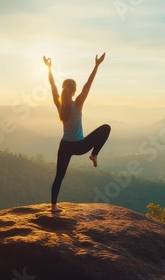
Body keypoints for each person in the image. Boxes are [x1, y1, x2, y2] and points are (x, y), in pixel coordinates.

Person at [44, 53, 111, 213]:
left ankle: (53, 207)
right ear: (74, 91)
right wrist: (97, 65)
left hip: (65, 145)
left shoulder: (59, 104)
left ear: (64, 90)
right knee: (106, 128)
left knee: (59, 176)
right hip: (80, 146)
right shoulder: (79, 103)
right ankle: (94, 154)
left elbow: (52, 85)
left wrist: (48, 68)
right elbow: (88, 84)